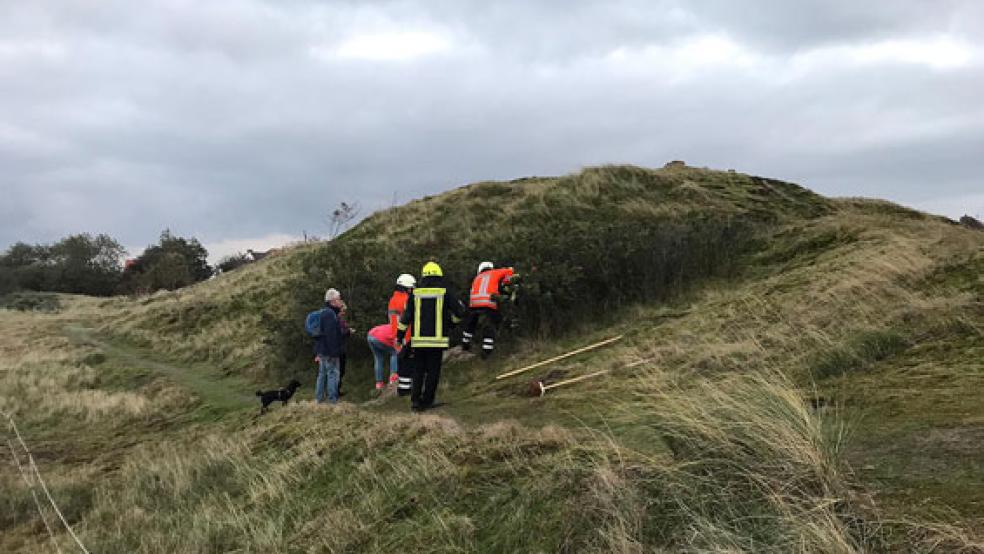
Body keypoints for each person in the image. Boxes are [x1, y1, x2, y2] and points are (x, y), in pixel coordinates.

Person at [397, 261, 466, 411]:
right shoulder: (445, 292)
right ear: (439, 276)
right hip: (437, 342)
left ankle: (415, 401)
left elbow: (405, 318)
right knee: (433, 372)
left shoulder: (415, 294)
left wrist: (399, 336)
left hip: (418, 342)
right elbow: (460, 312)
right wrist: (451, 323)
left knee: (418, 370)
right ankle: (427, 401)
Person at [461, 261, 516, 358]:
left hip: (474, 304)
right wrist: (507, 280)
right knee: (491, 324)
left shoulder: (477, 278)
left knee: (471, 324)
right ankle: (487, 350)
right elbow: (510, 271)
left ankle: (465, 343)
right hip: (488, 303)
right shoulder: (495, 273)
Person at [314, 288, 345, 404]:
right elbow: (331, 335)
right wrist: (334, 352)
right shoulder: (330, 314)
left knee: (322, 374)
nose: (340, 301)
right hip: (329, 351)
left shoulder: (325, 312)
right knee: (333, 374)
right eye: (338, 299)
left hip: (322, 349)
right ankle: (332, 400)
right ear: (332, 301)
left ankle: (319, 399)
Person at [388, 274, 415, 391]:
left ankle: (401, 387)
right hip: (406, 335)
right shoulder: (406, 300)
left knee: (401, 362)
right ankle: (409, 387)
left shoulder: (392, 300)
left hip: (396, 335)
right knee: (408, 363)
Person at [366, 322, 399, 392]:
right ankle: (393, 378)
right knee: (395, 353)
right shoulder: (401, 330)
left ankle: (379, 383)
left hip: (370, 335)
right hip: (379, 337)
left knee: (378, 358)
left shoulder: (394, 325)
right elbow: (397, 345)